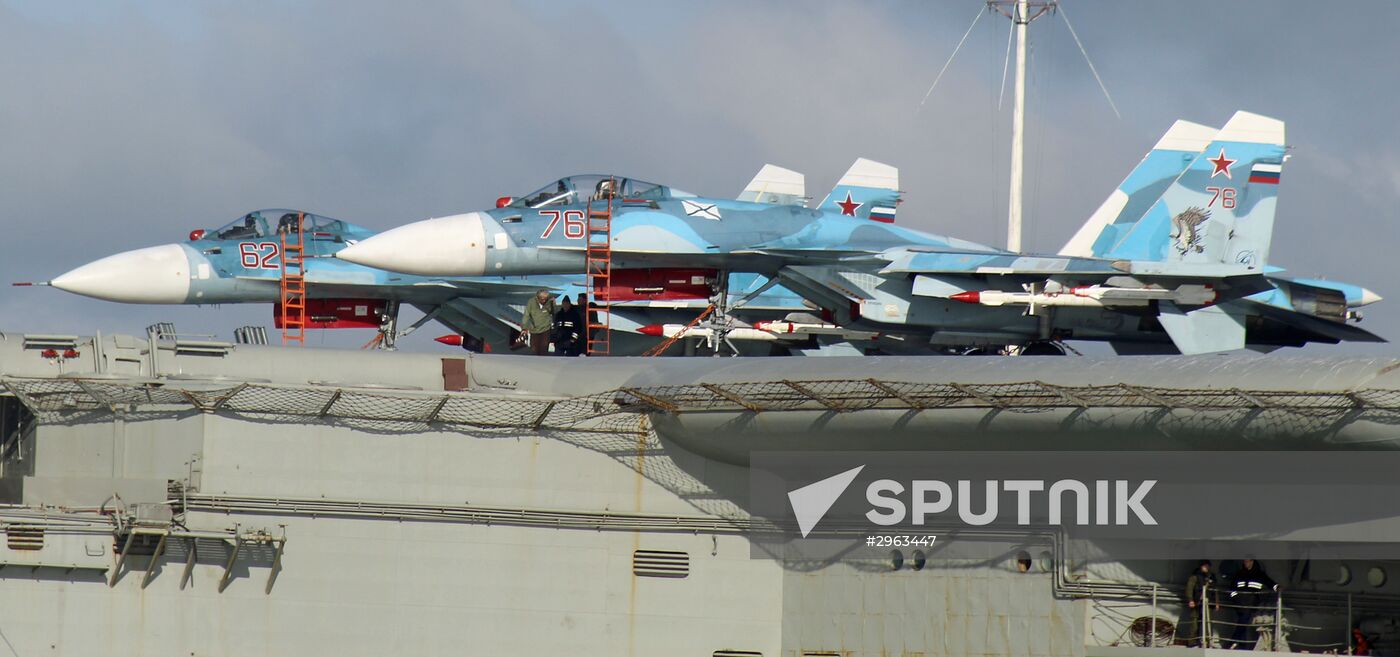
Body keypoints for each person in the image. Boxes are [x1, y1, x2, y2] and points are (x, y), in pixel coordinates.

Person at [1228, 558, 1277, 649]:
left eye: (1247, 561)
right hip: (1239, 603)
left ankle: (1235, 641)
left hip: (1252, 603)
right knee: (1243, 621)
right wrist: (1235, 599)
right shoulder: (1239, 574)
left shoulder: (1259, 574)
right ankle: (1238, 643)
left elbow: (1269, 582)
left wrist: (1277, 587)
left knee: (1243, 620)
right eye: (1244, 561)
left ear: (1252, 562)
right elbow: (1232, 589)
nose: (1245, 563)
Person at [1185, 560, 1220, 647]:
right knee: (1194, 622)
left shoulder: (1211, 577)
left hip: (1208, 603)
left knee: (1207, 622)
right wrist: (1190, 600)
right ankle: (1192, 642)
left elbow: (1215, 590)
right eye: (1205, 566)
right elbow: (1189, 588)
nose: (1206, 567)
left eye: (1208, 566)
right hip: (1197, 602)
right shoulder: (1195, 576)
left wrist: (1216, 602)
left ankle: (1207, 641)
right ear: (1201, 566)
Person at [520, 289, 557, 356]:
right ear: (537, 297)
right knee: (534, 350)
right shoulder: (531, 302)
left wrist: (553, 305)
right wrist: (524, 328)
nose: (544, 301)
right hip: (534, 330)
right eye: (542, 299)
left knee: (544, 349)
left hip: (545, 329)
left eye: (545, 299)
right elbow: (526, 315)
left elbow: (554, 313)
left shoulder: (549, 302)